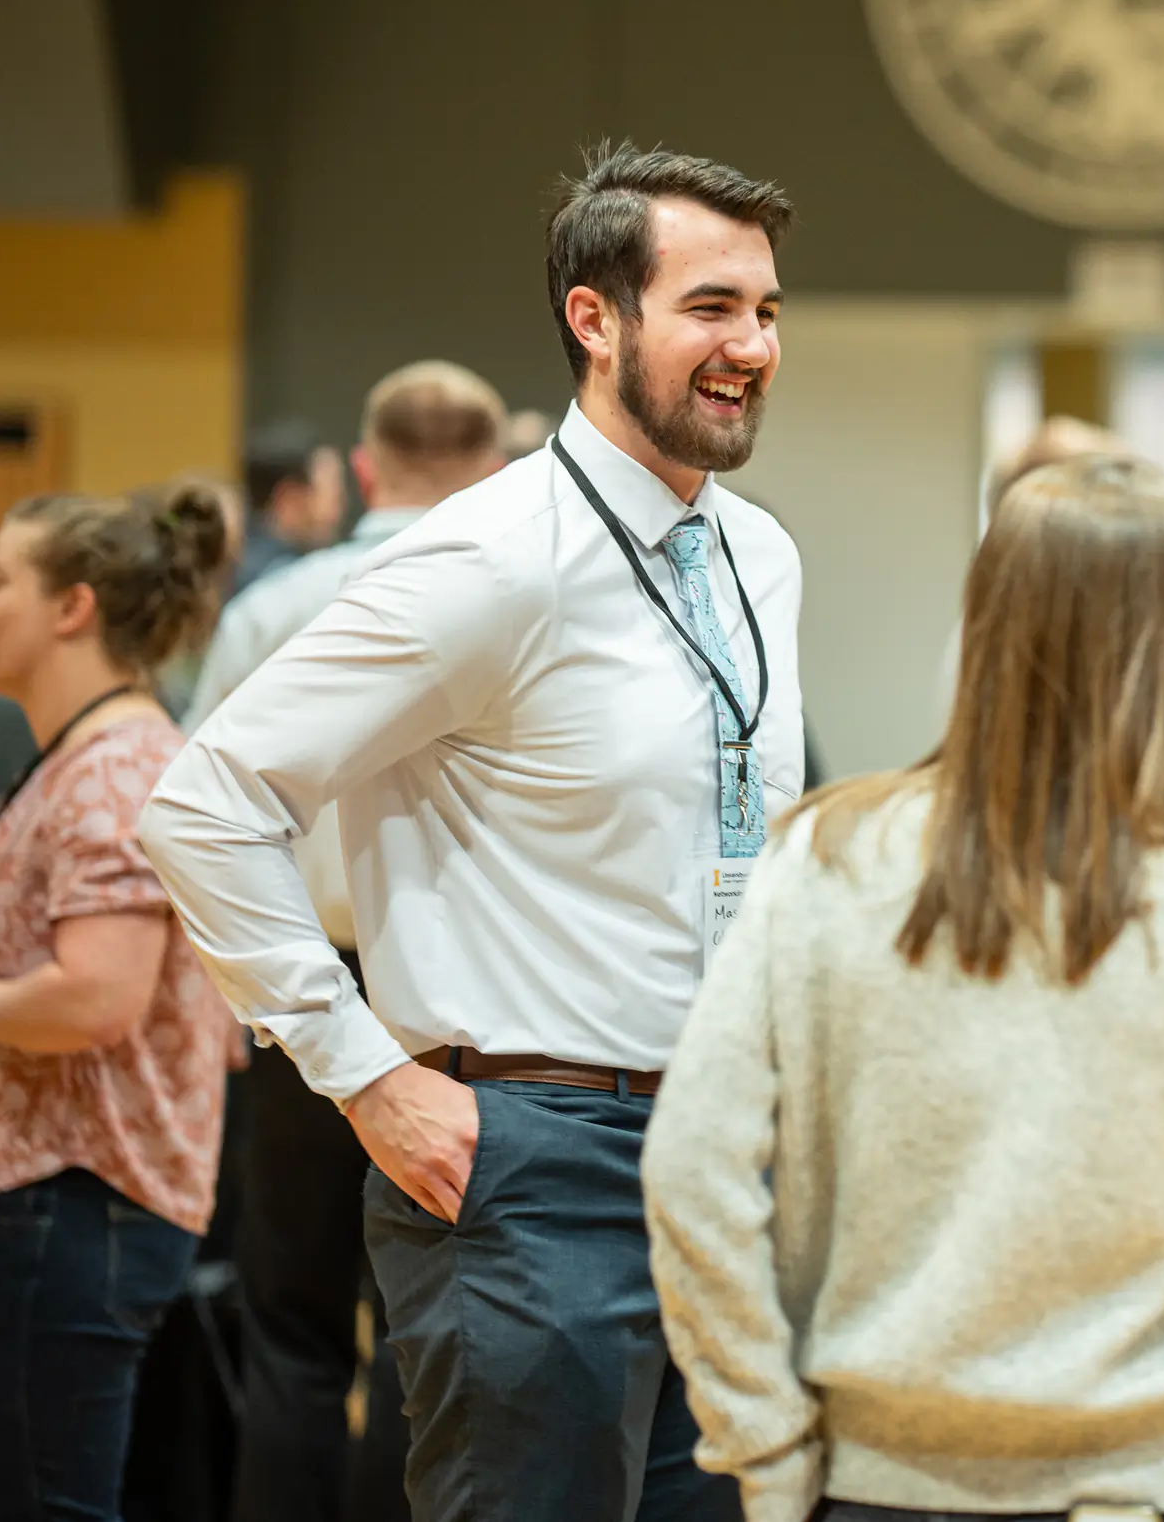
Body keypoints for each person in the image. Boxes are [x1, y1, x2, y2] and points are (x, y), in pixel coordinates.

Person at [140, 144, 806, 1522]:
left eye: (768, 309)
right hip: (530, 1167)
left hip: (721, 1159)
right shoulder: (486, 557)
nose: (753, 345)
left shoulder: (762, 554)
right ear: (595, 318)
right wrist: (364, 1071)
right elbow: (207, 802)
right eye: (713, 307)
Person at [643, 454, 1164, 1522]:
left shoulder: (827, 858)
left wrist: (767, 1451)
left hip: (865, 1483)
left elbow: (690, 1168)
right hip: (1136, 1488)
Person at [185, 358, 509, 1522]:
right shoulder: (505, 587)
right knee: (420, 1340)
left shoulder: (273, 605)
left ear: (365, 465)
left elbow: (199, 806)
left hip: (293, 983)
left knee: (290, 1327)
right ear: (494, 468)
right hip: (443, 1010)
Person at [0, 482, 240, 1520]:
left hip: (74, 1202)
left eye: (0, 579)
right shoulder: (92, 756)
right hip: (64, 1203)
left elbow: (96, 997)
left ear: (72, 608)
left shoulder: (120, 766)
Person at [232, 420, 348, 596]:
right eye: (333, 495)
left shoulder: (229, 564)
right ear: (288, 499)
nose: (340, 510)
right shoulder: (282, 585)